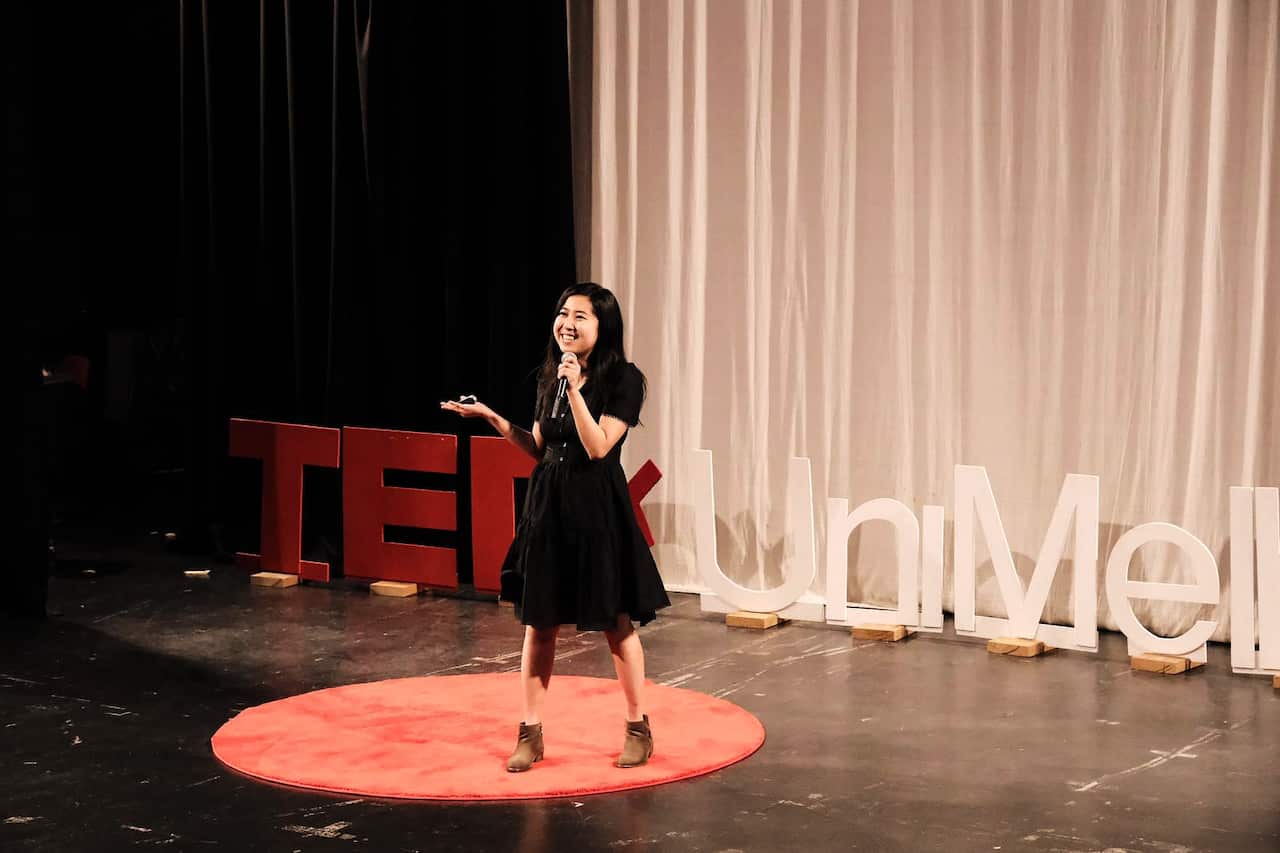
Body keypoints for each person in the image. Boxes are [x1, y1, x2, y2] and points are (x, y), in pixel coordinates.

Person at [441, 282, 670, 771]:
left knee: (615, 622)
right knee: (538, 622)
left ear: (603, 325)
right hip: (549, 506)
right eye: (563, 314)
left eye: (580, 316)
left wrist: (577, 391)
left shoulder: (624, 379)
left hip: (597, 509)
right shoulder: (552, 377)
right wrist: (492, 418)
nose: (567, 323)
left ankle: (637, 727)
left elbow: (598, 446)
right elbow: (540, 448)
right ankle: (530, 732)